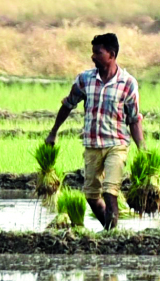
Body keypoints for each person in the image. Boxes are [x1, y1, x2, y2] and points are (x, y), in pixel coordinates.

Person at [44, 32, 142, 229]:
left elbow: (134, 119)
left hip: (117, 144)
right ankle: (109, 230)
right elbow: (68, 104)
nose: (93, 56)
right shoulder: (85, 79)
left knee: (110, 191)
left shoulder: (128, 83)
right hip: (92, 145)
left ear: (111, 54)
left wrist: (143, 149)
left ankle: (112, 235)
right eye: (93, 52)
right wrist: (53, 131)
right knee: (91, 196)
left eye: (98, 52)